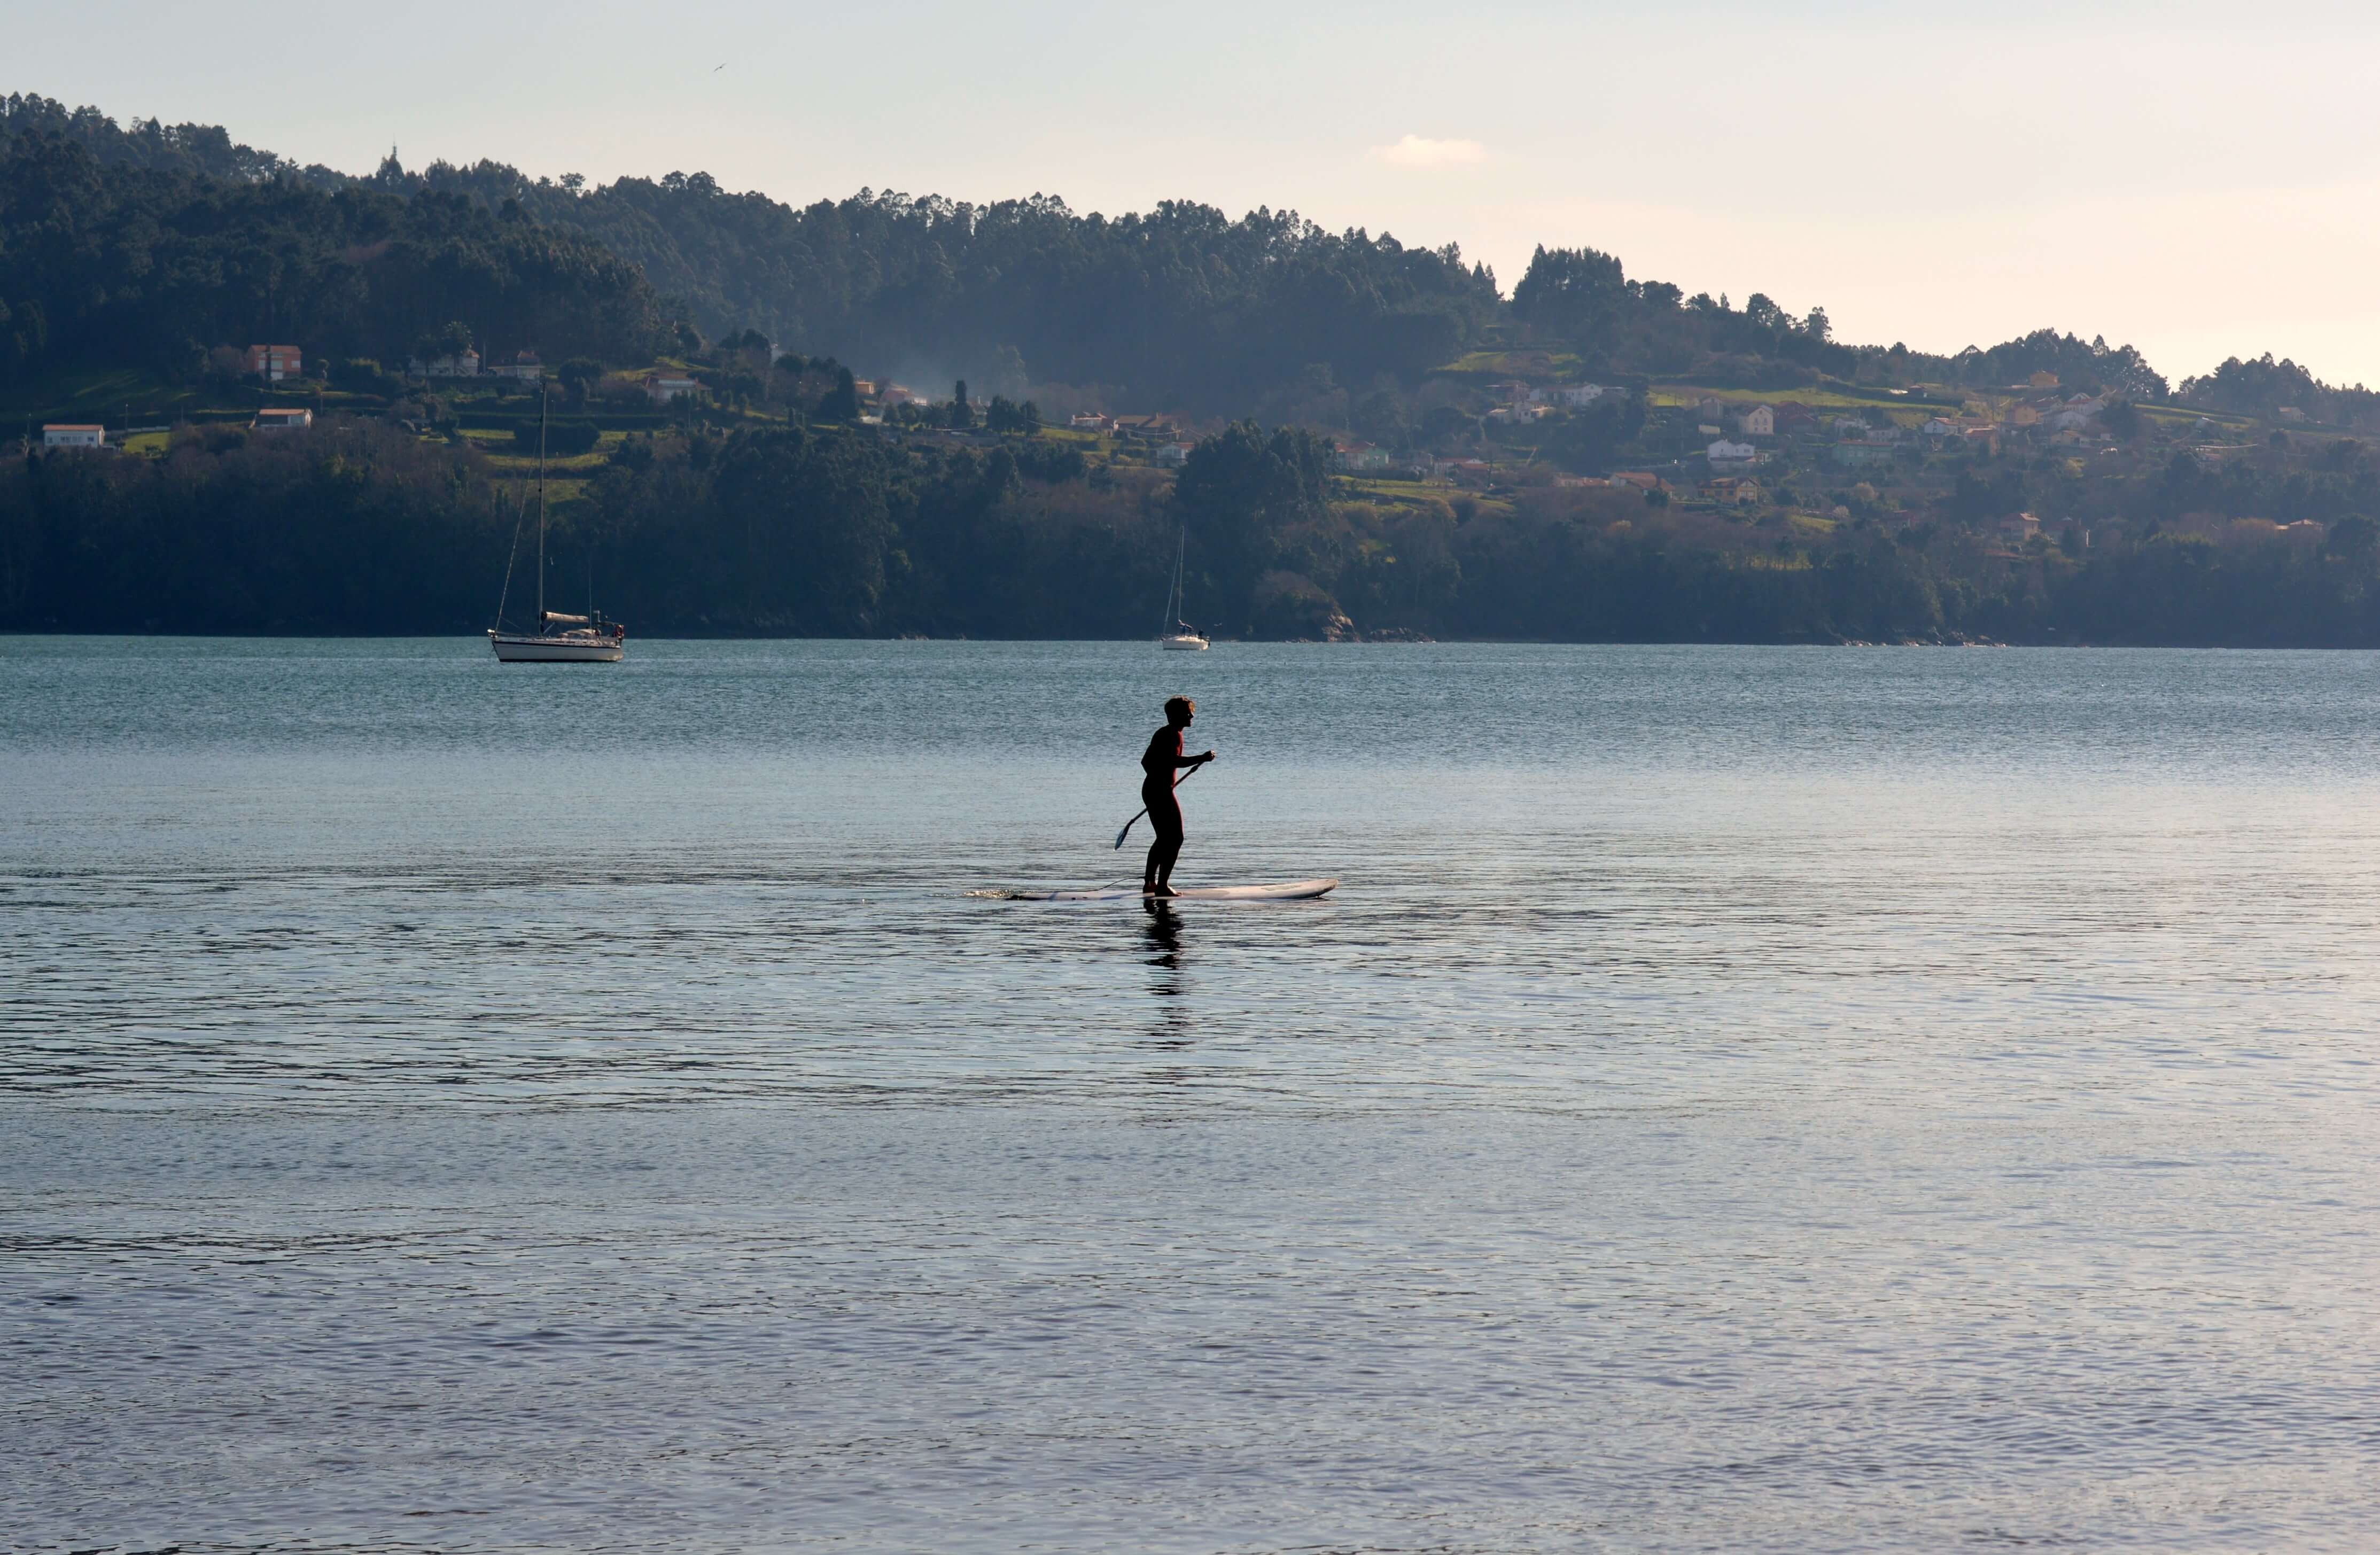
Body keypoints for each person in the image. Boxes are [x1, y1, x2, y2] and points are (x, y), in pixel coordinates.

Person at [1140, 695, 1214, 897]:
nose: (1192, 715)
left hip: (1152, 790)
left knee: (1163, 838)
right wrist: (1202, 758)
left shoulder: (1163, 733)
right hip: (1160, 792)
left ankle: (1150, 883)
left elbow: (1146, 762)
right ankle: (1162, 886)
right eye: (1188, 712)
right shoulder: (1173, 735)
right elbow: (1174, 761)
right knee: (1176, 838)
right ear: (1176, 715)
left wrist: (1159, 778)